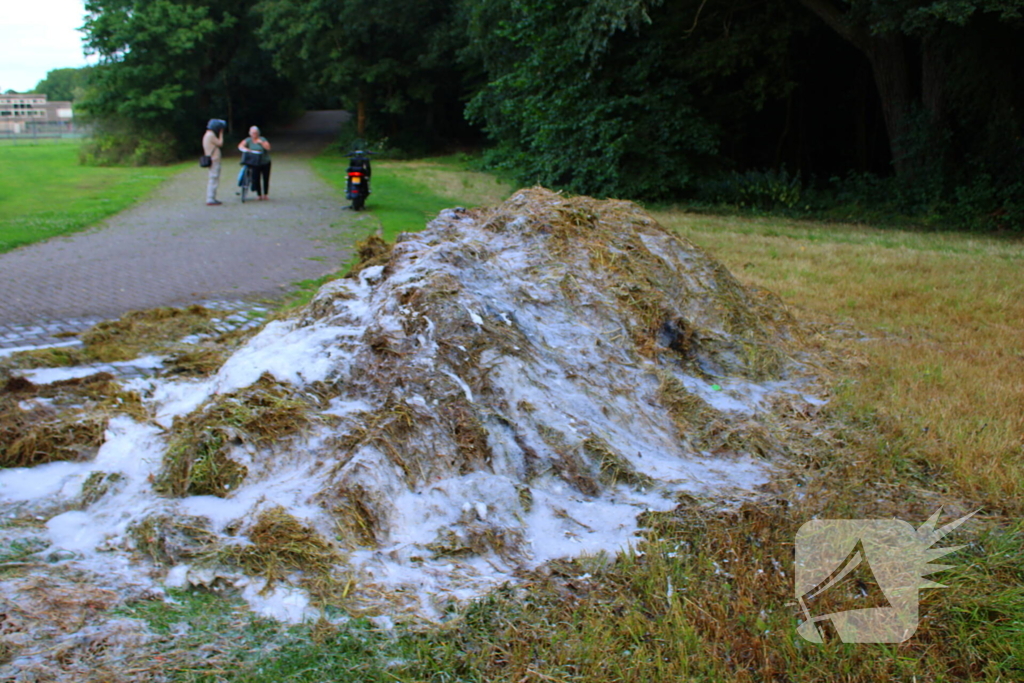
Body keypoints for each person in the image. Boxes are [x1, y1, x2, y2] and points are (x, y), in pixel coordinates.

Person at [237, 126, 272, 200]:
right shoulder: (248, 140)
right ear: (250, 133)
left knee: (266, 178)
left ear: (258, 133)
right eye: (252, 133)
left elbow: (268, 148)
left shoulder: (262, 139)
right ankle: (259, 195)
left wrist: (261, 143)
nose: (254, 135)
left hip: (265, 161)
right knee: (256, 178)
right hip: (255, 162)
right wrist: (246, 149)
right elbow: (240, 145)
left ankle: (265, 194)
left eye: (255, 133)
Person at [202, 119, 226, 206]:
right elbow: (220, 143)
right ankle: (210, 198)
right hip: (214, 160)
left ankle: (211, 197)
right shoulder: (211, 135)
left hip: (212, 159)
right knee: (214, 179)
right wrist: (221, 133)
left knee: (213, 178)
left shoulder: (206, 134)